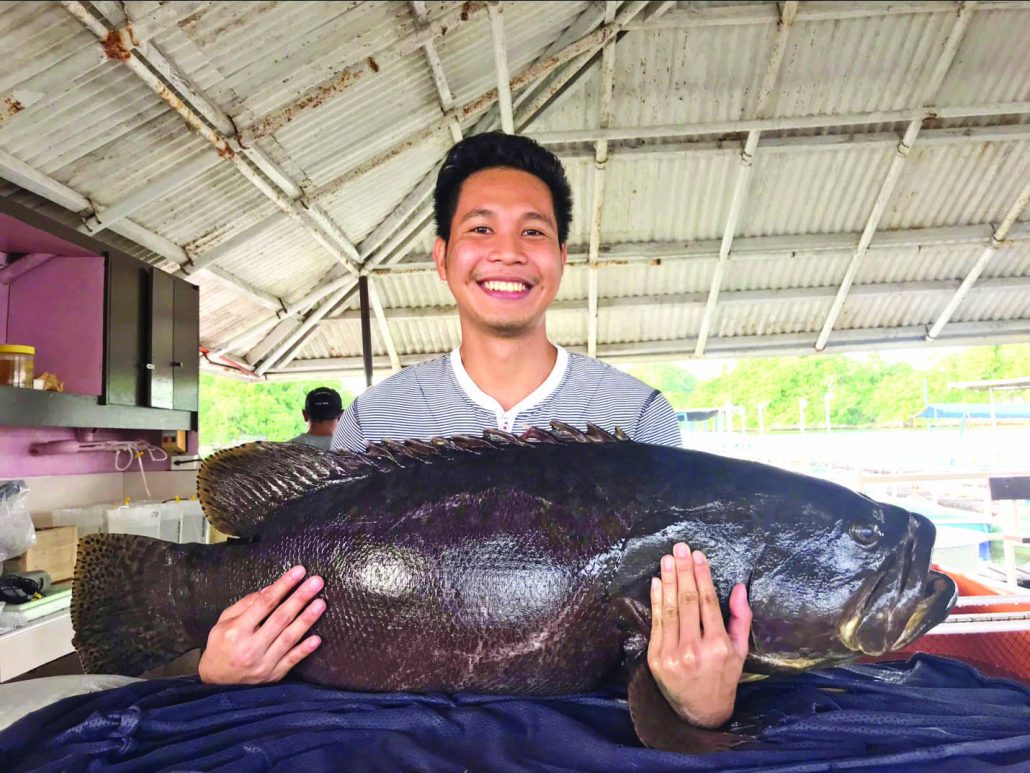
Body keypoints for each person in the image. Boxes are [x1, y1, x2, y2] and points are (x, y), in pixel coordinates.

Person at [199, 133, 751, 732]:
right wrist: (224, 665)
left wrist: (706, 703)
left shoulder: (637, 416)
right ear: (442, 257)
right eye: (481, 229)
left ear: (561, 257)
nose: (508, 253)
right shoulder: (374, 419)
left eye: (533, 232)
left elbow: (665, 628)